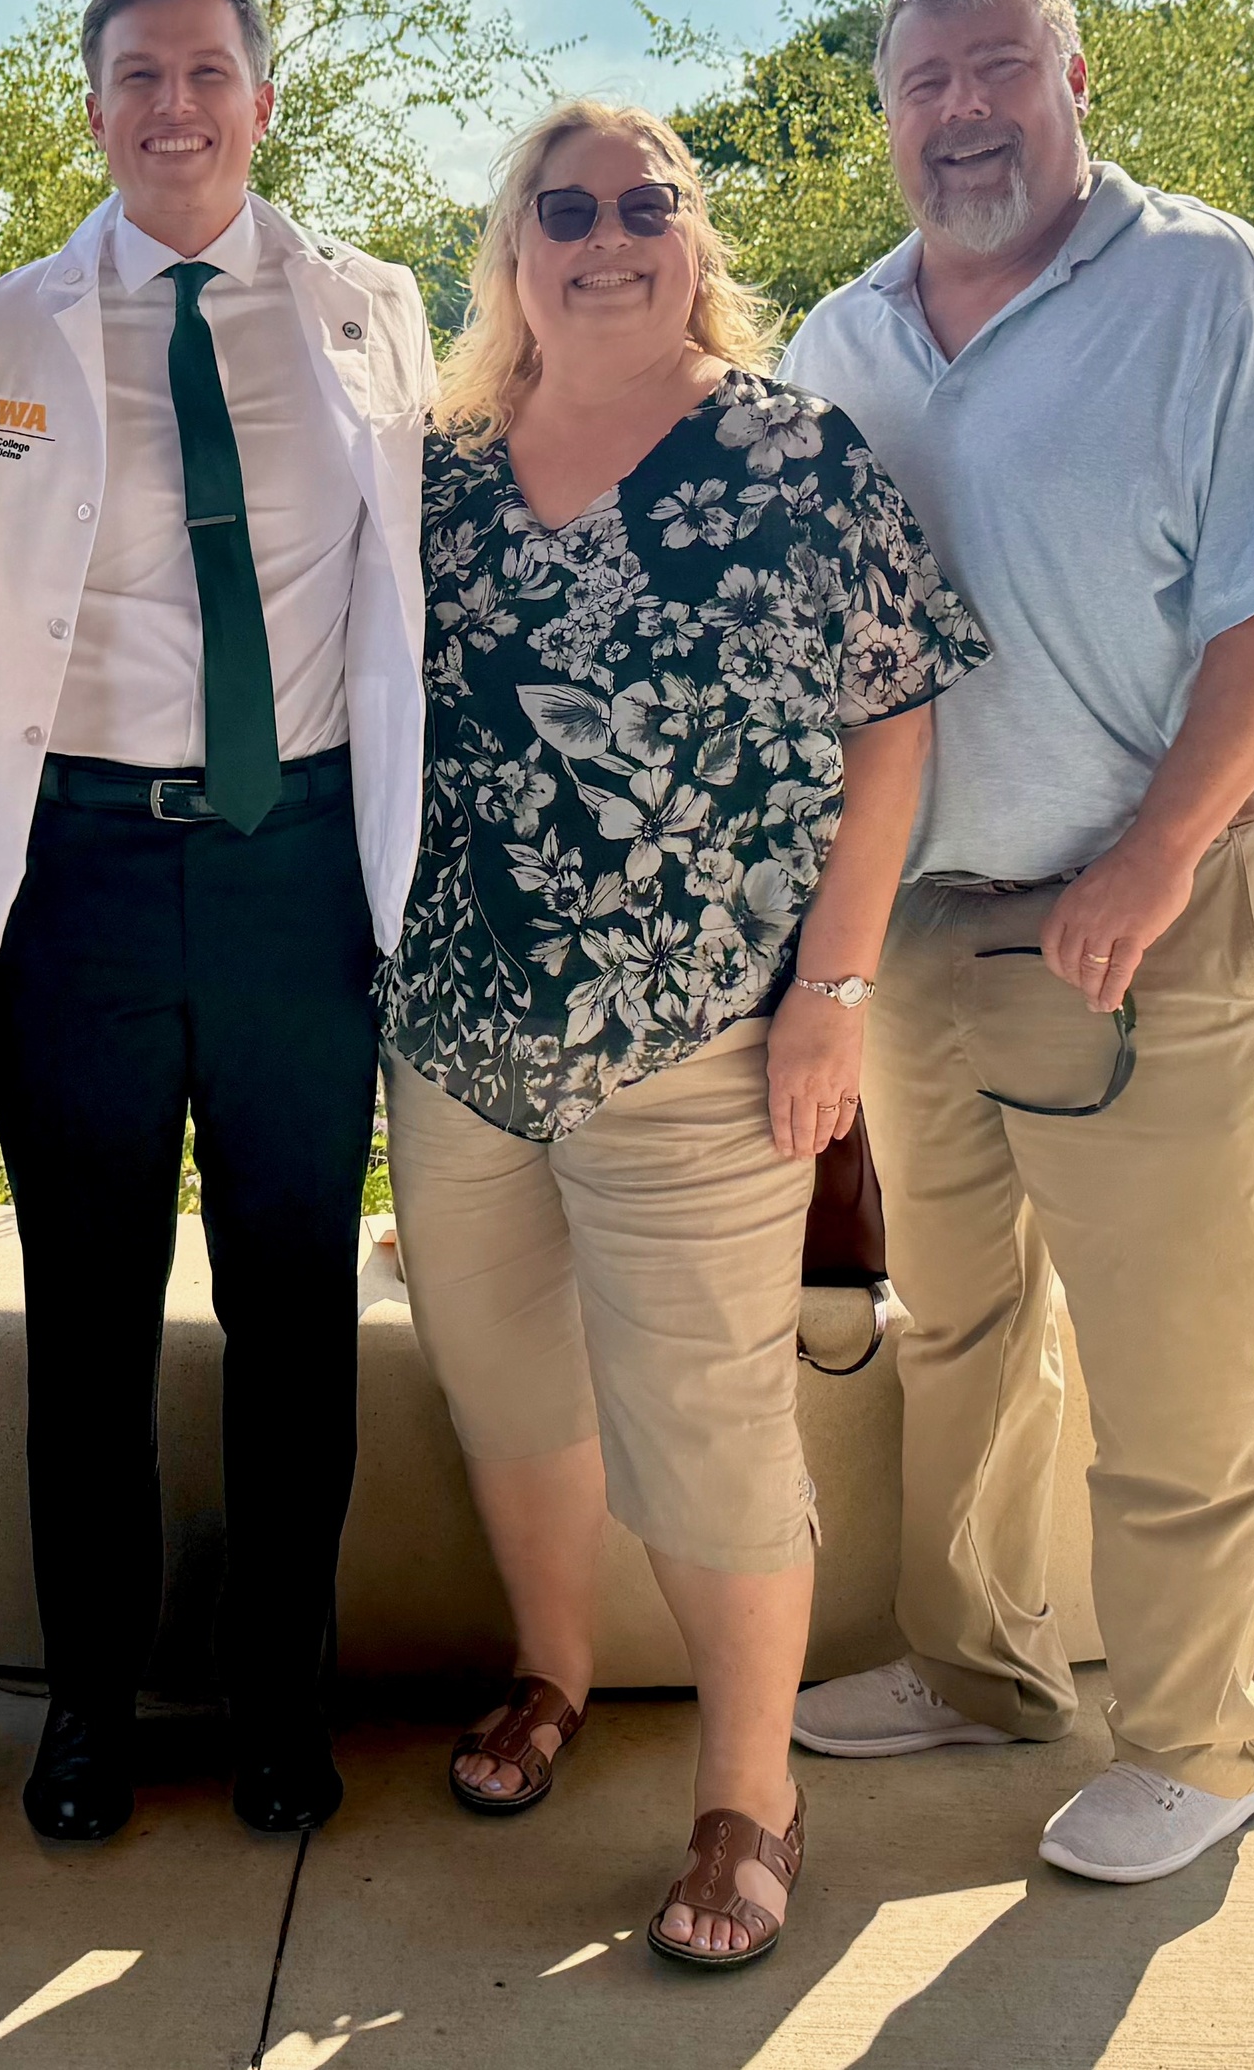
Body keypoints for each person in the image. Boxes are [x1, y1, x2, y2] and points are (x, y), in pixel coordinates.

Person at [382, 99, 986, 1966]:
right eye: (566, 209)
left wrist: (832, 991)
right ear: (513, 248)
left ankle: (750, 1795)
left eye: (647, 205)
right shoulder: (436, 469)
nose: (607, 237)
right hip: (459, 1033)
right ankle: (552, 1666)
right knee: (500, 1385)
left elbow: (891, 724)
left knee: (712, 1425)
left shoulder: (792, 455)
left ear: (691, 237)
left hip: (706, 1040)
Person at [778, 0, 1254, 1886]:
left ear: (1072, 77)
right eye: (922, 80)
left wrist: (1152, 856)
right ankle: (982, 1662)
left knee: (1167, 1343)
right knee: (960, 1323)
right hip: (929, 920)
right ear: (886, 118)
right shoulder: (840, 338)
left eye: (995, 68)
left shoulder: (1212, 291)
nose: (959, 110)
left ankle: (1201, 1734)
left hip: (1151, 901)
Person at [0, 0, 435, 1841]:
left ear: (262, 98)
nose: (173, 108)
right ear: (92, 108)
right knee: (87, 1311)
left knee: (295, 1304)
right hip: (77, 874)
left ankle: (278, 1699)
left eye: (206, 72)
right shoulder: (1, 333)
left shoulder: (368, 314)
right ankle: (86, 1705)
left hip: (296, 868)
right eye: (136, 77)